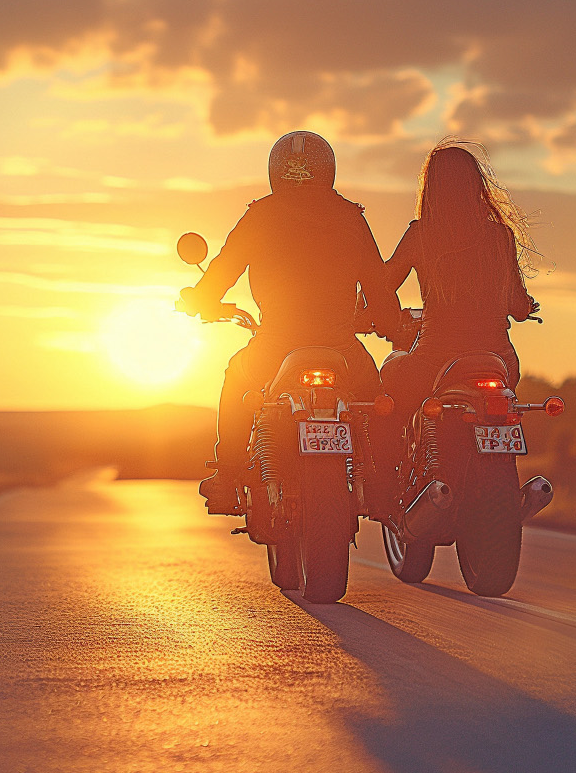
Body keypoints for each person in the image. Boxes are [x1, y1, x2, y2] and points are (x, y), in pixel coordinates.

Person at [177, 131, 391, 514]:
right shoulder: (350, 218)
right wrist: (391, 322)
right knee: (375, 402)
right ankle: (382, 485)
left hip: (276, 345)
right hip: (341, 348)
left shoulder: (261, 216)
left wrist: (200, 300)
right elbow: (379, 288)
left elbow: (222, 270)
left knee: (236, 377)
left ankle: (227, 477)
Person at [372, 139, 541, 429]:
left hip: (434, 363)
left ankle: (389, 471)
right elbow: (518, 306)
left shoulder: (421, 234)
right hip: (499, 363)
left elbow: (384, 285)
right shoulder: (500, 237)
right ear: (476, 186)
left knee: (390, 372)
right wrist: (526, 307)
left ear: (432, 189)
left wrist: (366, 313)